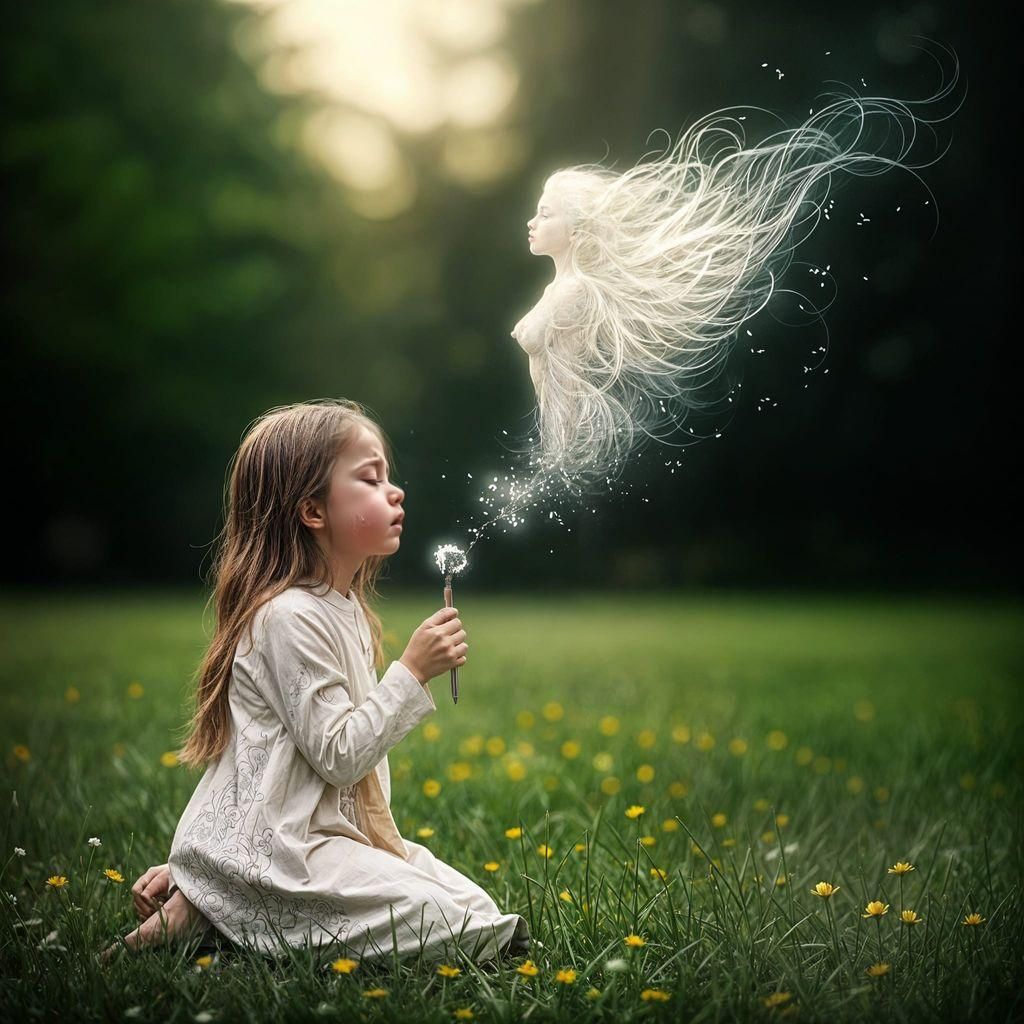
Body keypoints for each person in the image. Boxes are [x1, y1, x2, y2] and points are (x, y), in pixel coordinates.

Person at [100, 399, 531, 965]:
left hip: (323, 840)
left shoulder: (344, 609)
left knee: (476, 910)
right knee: (449, 925)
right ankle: (220, 903)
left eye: (388, 478)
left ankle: (209, 906)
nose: (395, 492)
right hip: (286, 852)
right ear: (312, 511)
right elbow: (340, 755)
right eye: (370, 479)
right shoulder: (288, 617)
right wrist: (412, 671)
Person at [510, 43, 962, 479]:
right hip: (562, 437)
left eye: (545, 213)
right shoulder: (564, 289)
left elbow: (534, 336)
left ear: (577, 229)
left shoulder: (573, 292)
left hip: (566, 440)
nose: (531, 222)